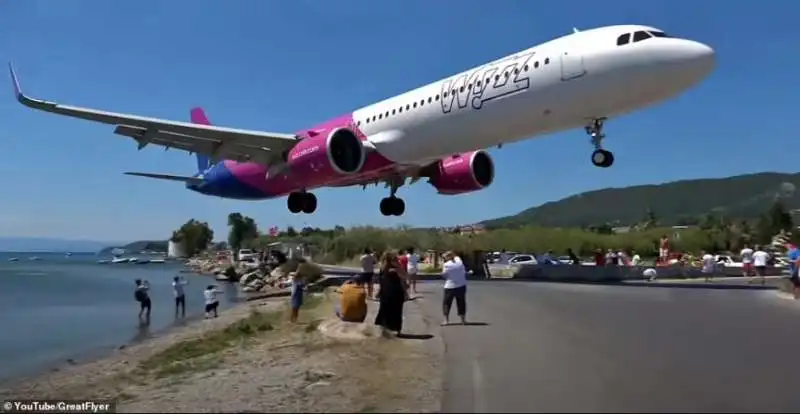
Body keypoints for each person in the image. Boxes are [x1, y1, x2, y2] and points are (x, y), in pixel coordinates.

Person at [374, 251, 407, 335]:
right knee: (396, 310)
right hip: (394, 291)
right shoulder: (388, 267)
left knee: (385, 309)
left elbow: (381, 281)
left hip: (387, 291)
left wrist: (379, 291)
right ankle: (396, 330)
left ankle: (385, 329)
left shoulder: (383, 267)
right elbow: (404, 278)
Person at [441, 251, 468, 326]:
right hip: (461, 285)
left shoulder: (446, 265)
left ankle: (446, 320)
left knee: (446, 303)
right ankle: (463, 320)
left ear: (447, 258)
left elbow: (444, 275)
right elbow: (456, 257)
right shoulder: (459, 261)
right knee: (461, 302)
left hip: (450, 286)